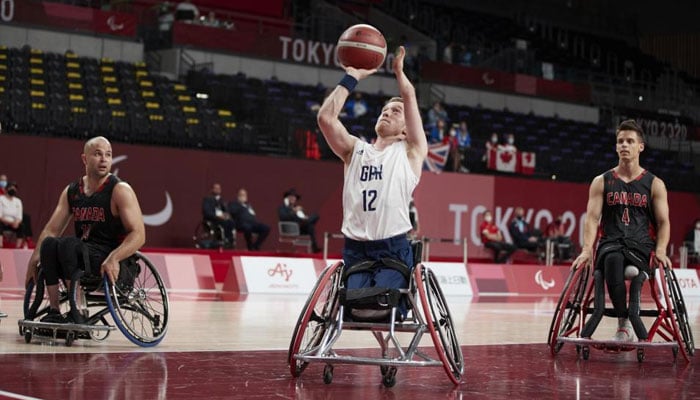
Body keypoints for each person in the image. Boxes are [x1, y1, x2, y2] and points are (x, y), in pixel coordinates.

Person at [317, 45, 427, 319]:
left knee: (379, 309)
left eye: (395, 111)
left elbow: (410, 96)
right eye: (385, 109)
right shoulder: (355, 150)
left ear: (405, 130)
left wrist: (400, 74)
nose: (387, 113)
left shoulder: (410, 150)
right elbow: (325, 118)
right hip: (356, 249)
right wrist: (351, 76)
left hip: (393, 247)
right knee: (355, 309)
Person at [24, 136, 146, 323]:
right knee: (49, 244)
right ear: (84, 159)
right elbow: (51, 230)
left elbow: (139, 234)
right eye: (98, 154)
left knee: (69, 245)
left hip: (112, 258)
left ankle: (77, 311)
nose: (104, 159)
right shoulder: (72, 191)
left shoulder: (120, 190)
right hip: (82, 254)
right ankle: (54, 311)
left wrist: (114, 258)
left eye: (108, 154)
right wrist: (33, 260)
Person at [572, 119, 672, 342]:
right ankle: (623, 324)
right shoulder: (602, 181)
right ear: (616, 147)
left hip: (640, 244)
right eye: (620, 141)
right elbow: (591, 219)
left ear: (640, 147)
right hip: (611, 242)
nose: (624, 145)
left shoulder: (654, 183)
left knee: (616, 261)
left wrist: (662, 250)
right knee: (612, 259)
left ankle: (625, 318)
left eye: (629, 141)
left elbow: (663, 222)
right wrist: (587, 249)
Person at [278, 188, 320, 253]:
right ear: (287, 198)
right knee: (310, 225)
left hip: (300, 226)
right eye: (291, 196)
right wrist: (294, 211)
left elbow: (299, 218)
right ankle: (315, 248)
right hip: (291, 228)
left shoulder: (296, 207)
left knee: (314, 219)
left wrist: (304, 217)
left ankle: (314, 248)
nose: (293, 198)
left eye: (294, 197)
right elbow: (283, 217)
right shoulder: (283, 208)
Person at [202, 183, 236, 248]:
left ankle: (229, 241)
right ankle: (225, 240)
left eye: (219, 188)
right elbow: (206, 212)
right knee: (225, 222)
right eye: (216, 188)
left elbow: (226, 211)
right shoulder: (207, 199)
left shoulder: (222, 201)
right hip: (212, 219)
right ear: (212, 189)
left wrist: (226, 215)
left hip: (222, 219)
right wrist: (217, 216)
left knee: (231, 222)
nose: (218, 190)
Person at [0, 181, 24, 248]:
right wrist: (11, 222)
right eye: (11, 188)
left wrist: (16, 222)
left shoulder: (18, 201)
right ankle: (0, 246)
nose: (13, 189)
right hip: (3, 222)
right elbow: (0, 216)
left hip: (14, 224)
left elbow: (19, 217)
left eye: (14, 188)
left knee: (22, 226)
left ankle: (18, 247)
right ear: (6, 189)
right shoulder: (1, 199)